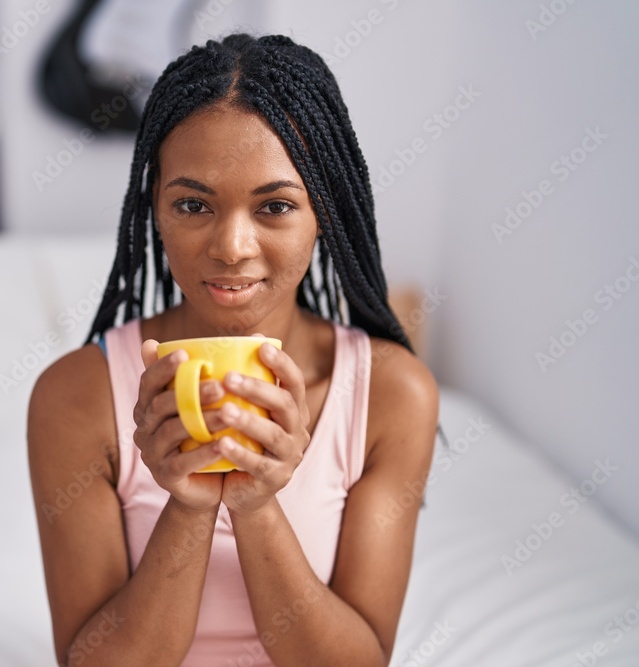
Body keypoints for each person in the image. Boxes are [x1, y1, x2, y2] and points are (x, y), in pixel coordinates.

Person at [28, 33, 439, 667]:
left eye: (275, 206)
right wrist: (189, 508)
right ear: (154, 209)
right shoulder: (75, 396)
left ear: (323, 210)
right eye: (193, 204)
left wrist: (257, 505)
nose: (232, 247)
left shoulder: (391, 394)